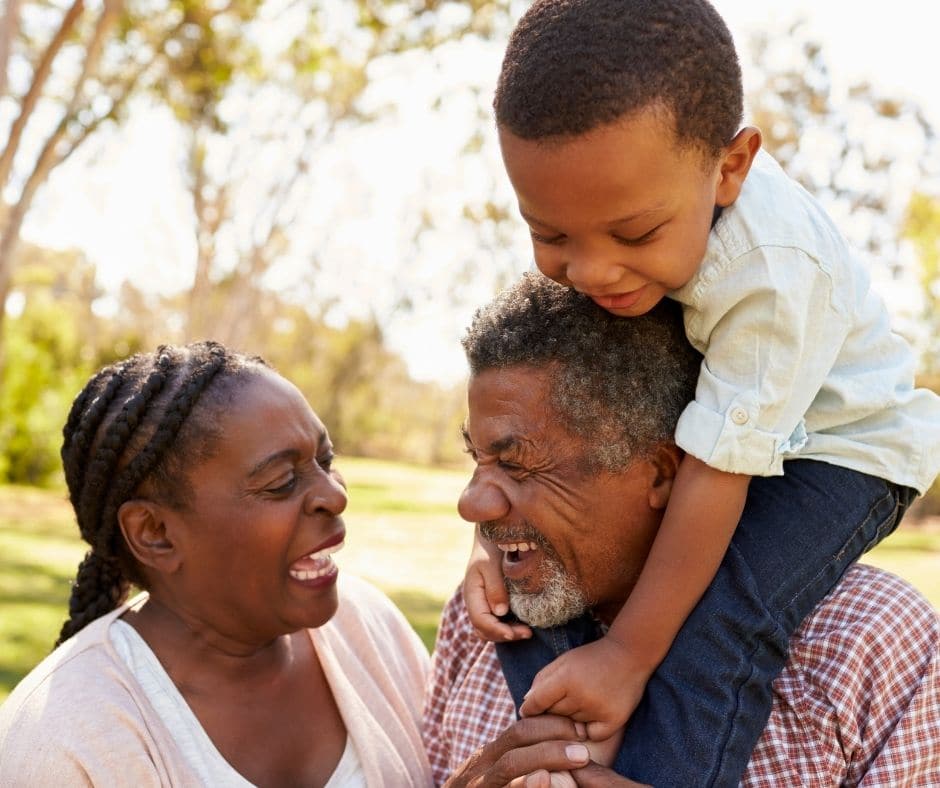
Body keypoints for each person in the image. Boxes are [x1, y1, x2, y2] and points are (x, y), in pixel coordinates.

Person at [463, 1, 940, 784]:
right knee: (554, 584)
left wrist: (627, 654)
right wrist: (492, 538)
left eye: (635, 235)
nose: (591, 273)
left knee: (724, 621)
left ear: (731, 167)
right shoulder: (636, 202)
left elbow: (716, 476)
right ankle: (566, 743)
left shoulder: (771, 278)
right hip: (735, 436)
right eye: (550, 235)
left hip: (842, 451)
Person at [427, 273, 940, 787]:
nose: (470, 505)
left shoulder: (869, 644)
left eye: (517, 465)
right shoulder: (480, 620)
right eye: (477, 458)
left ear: (663, 473)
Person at [0, 341, 432, 787]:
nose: (334, 495)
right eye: (282, 481)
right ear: (155, 532)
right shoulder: (62, 746)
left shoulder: (370, 627)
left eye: (326, 461)